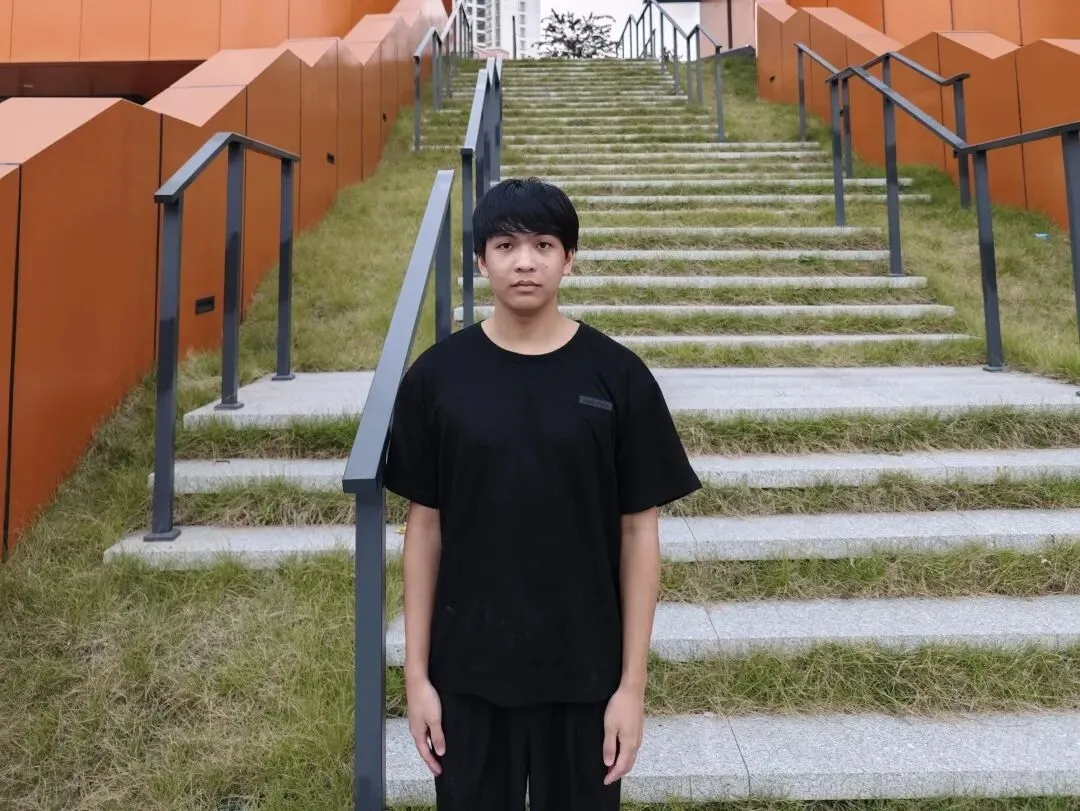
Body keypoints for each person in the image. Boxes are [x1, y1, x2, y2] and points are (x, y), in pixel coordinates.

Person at [384, 177, 701, 810]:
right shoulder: (438, 378)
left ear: (569, 259)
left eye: (543, 245)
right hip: (467, 675)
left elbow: (639, 534)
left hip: (586, 676)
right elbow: (425, 528)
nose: (524, 262)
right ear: (481, 261)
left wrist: (631, 687)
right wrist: (416, 678)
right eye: (506, 246)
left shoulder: (618, 377)